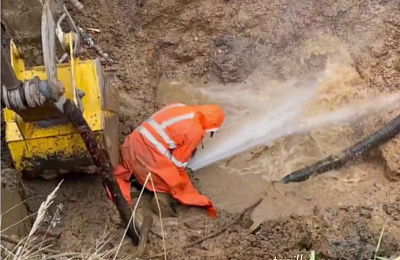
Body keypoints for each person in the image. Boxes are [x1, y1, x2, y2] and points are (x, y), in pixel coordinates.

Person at [106, 102, 224, 219]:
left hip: (131, 145)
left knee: (139, 167)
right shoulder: (195, 131)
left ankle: (139, 177)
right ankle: (161, 199)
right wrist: (180, 180)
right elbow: (178, 164)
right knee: (173, 182)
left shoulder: (179, 106)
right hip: (148, 155)